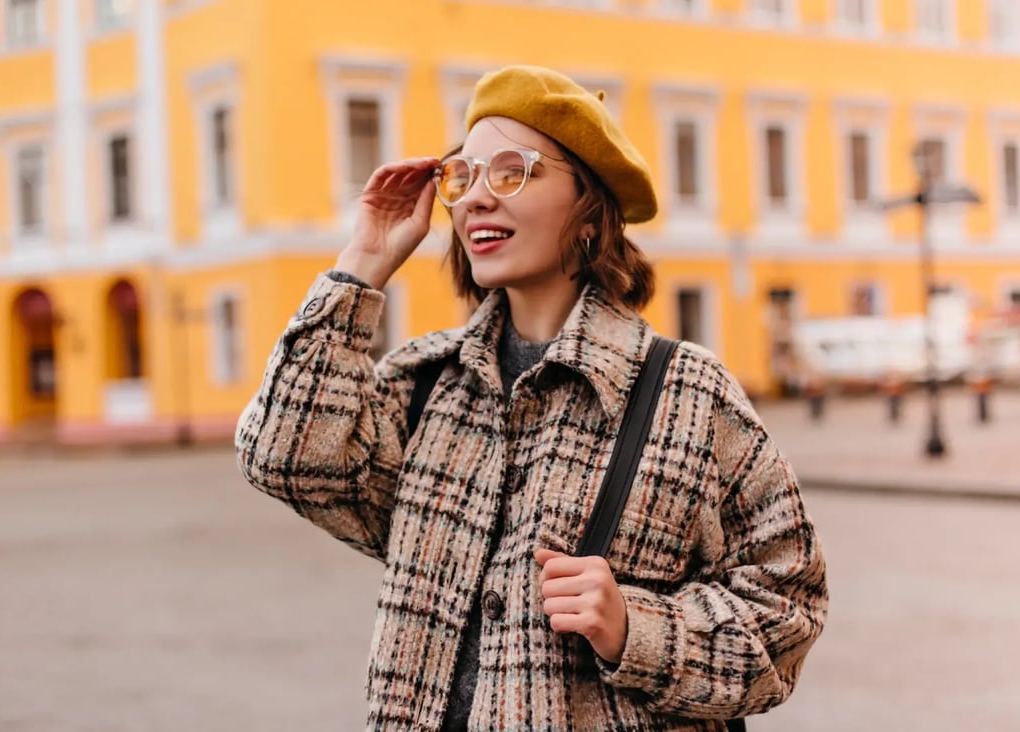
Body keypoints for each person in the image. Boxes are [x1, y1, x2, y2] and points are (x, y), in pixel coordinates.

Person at [236, 65, 828, 732]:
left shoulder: (688, 395)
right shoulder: (427, 385)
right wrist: (362, 262)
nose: (476, 199)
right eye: (464, 177)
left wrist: (636, 628)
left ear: (587, 210)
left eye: (514, 172)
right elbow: (282, 459)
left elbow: (788, 610)